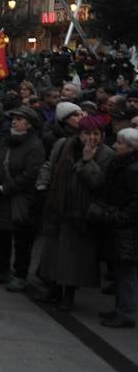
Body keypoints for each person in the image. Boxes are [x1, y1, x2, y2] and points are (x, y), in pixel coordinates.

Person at [34, 115, 113, 311]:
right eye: (87, 133)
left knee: (74, 259)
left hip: (83, 213)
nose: (91, 138)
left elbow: (98, 183)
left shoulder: (107, 155)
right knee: (53, 254)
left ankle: (68, 295)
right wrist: (43, 184)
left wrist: (87, 161)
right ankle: (53, 289)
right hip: (59, 207)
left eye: (96, 134)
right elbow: (50, 165)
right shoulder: (64, 145)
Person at [0, 107, 46, 291]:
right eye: (14, 118)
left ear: (29, 124)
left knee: (22, 240)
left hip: (20, 200)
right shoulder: (5, 141)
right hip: (0, 199)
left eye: (19, 119)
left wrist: (5, 188)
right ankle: (2, 270)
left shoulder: (35, 145)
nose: (14, 121)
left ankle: (20, 275)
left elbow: (30, 174)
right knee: (1, 235)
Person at [91, 128, 138, 328]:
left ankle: (125, 312)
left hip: (125, 229)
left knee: (125, 273)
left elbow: (135, 201)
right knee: (120, 272)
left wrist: (119, 217)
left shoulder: (132, 169)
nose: (115, 146)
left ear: (130, 147)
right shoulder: (123, 165)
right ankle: (121, 308)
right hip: (119, 225)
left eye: (119, 143)